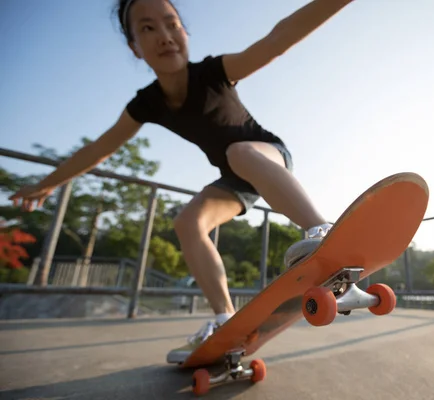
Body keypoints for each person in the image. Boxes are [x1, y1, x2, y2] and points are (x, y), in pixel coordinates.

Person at [9, 0, 354, 363]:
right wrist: (47, 183)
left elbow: (278, 37)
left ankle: (321, 233)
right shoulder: (147, 103)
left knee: (239, 152)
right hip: (235, 177)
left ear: (185, 32)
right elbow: (99, 148)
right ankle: (225, 319)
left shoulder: (213, 72)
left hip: (266, 155)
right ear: (134, 47)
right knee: (187, 222)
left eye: (172, 24)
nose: (165, 36)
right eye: (148, 28)